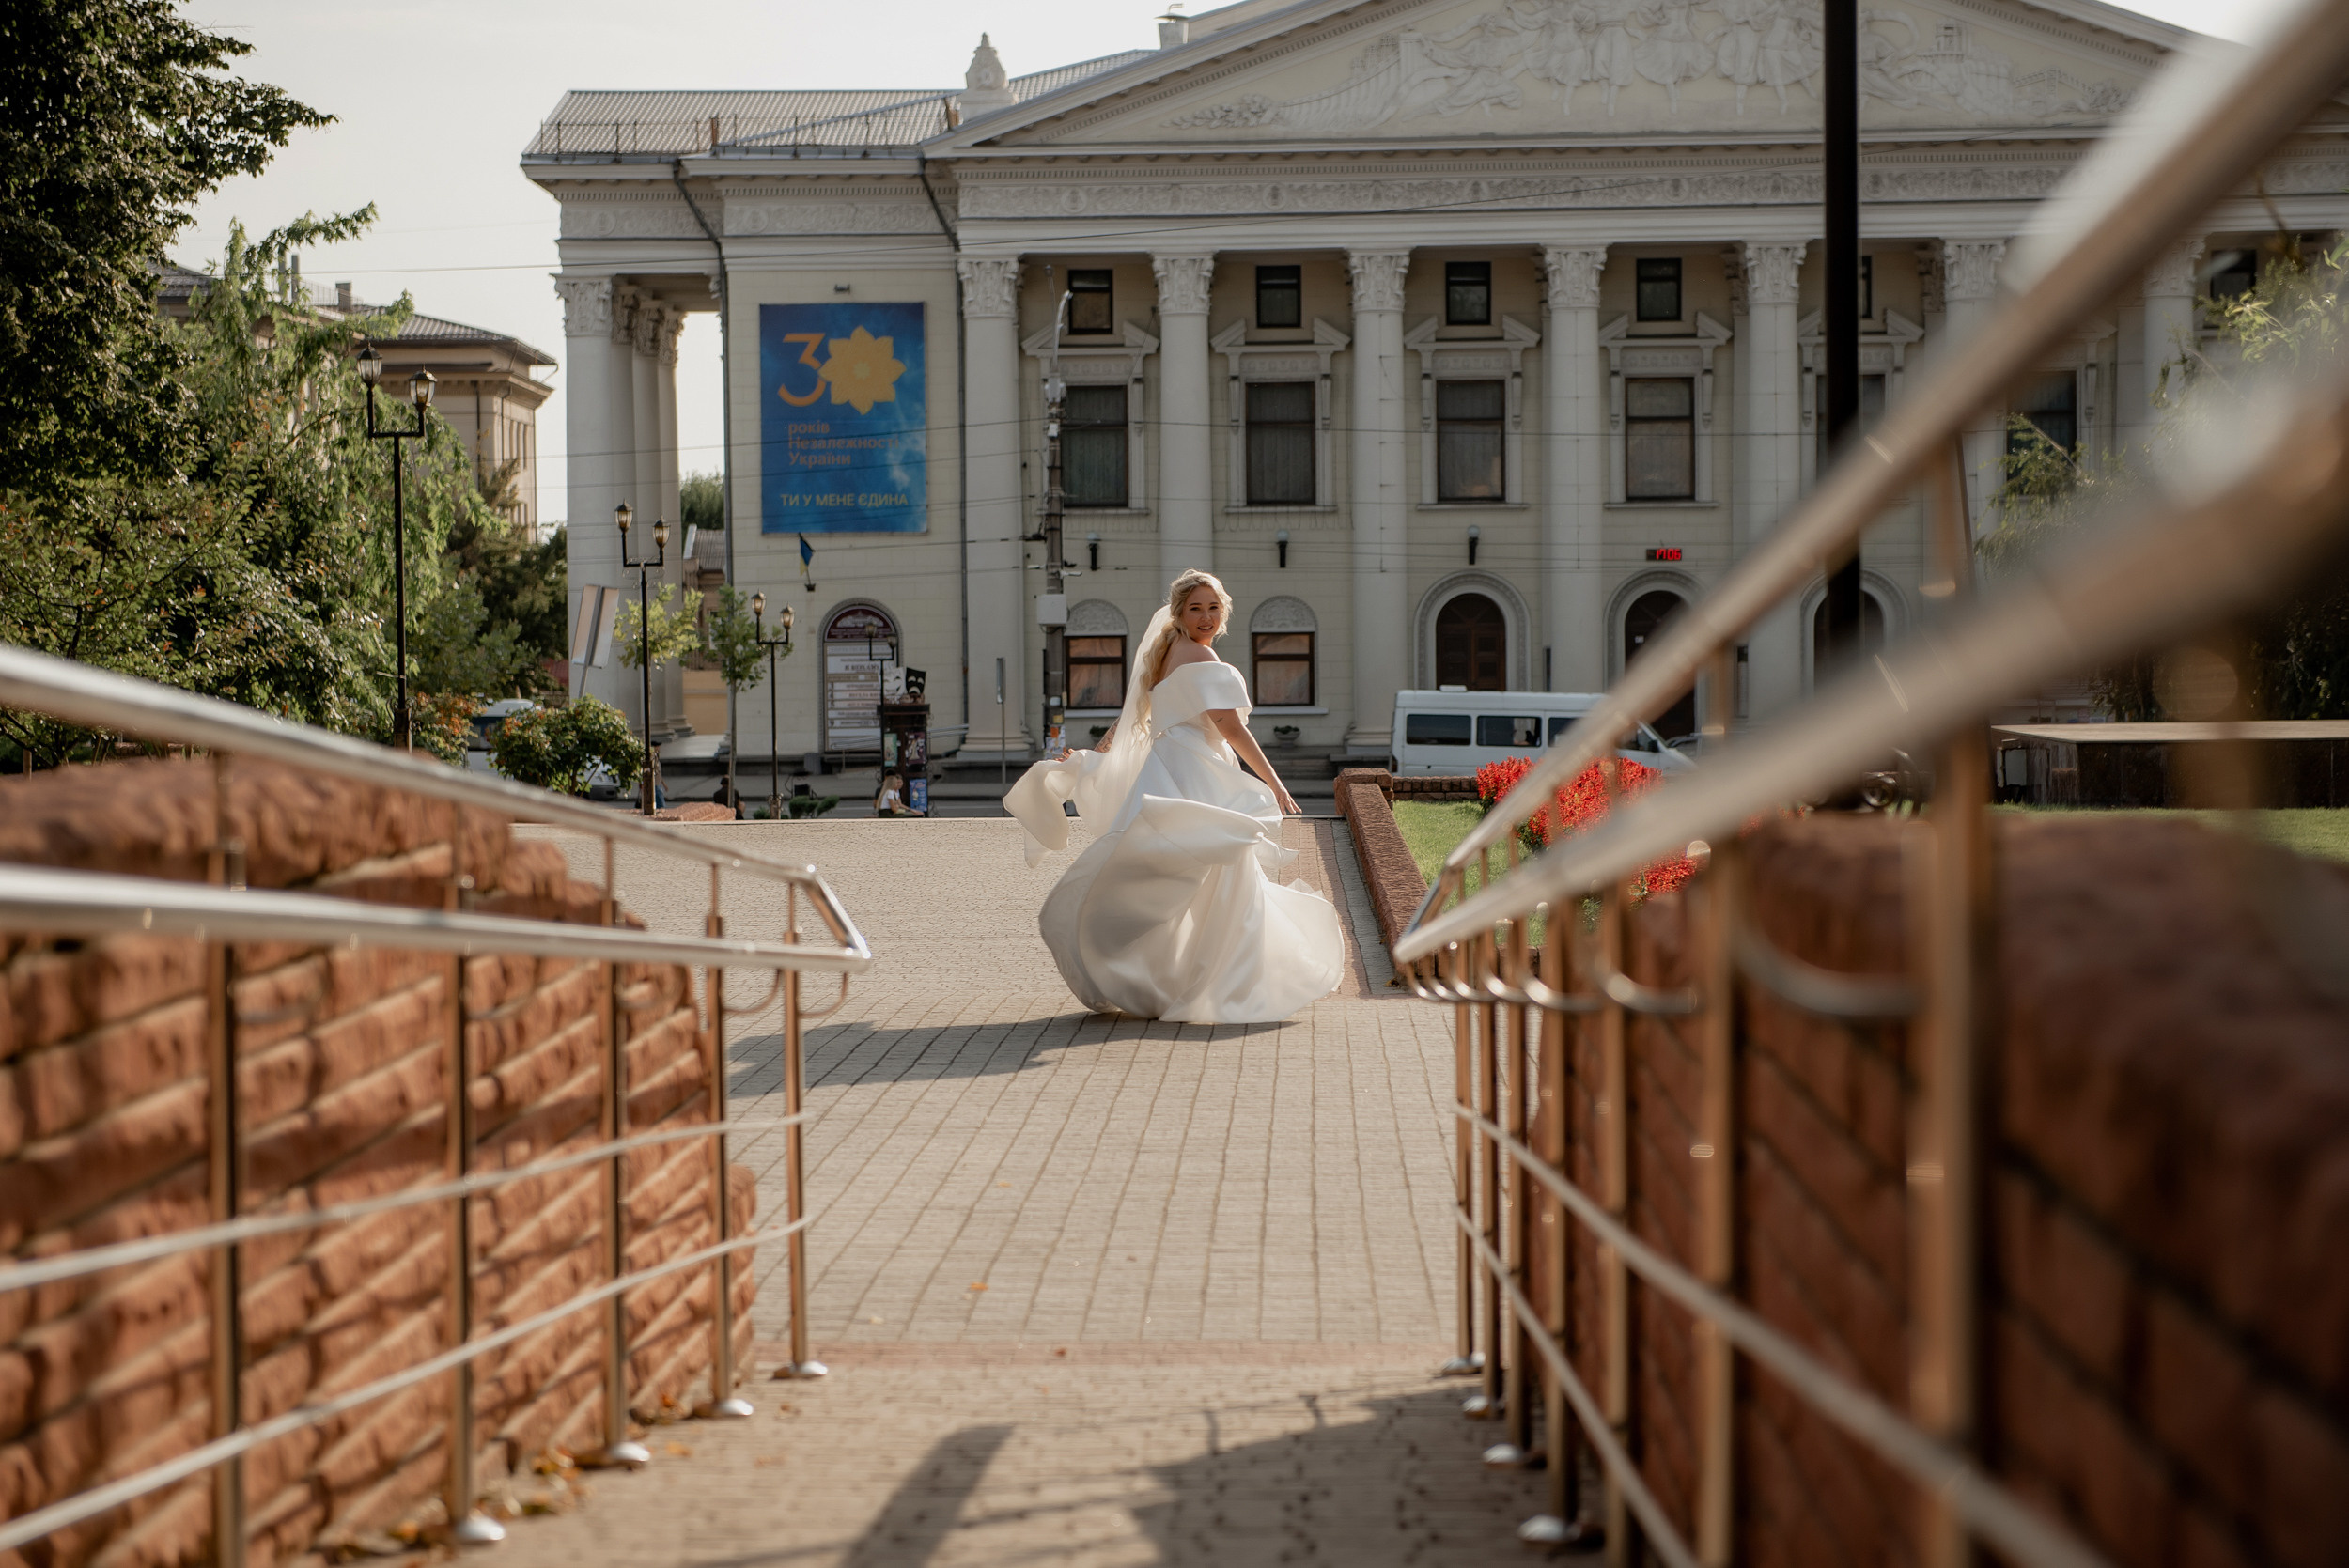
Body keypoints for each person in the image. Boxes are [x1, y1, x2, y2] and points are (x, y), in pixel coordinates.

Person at [1006, 568, 1345, 1023]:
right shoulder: (1204, 661)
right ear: (1180, 612)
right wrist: (1273, 780)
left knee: (1179, 874)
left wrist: (1097, 751)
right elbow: (1230, 728)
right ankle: (1225, 982)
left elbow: (1134, 716)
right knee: (1222, 874)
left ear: (1223, 610)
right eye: (1195, 608)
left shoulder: (1163, 655)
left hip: (1165, 767)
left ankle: (1171, 976)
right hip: (1199, 772)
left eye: (1213, 607)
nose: (1206, 616)